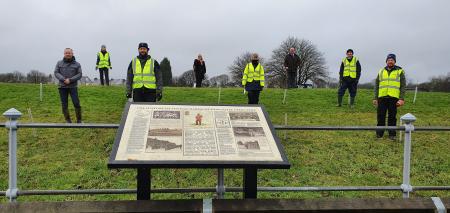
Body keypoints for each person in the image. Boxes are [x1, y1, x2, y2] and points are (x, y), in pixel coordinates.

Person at [373, 54, 406, 140]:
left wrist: (401, 99)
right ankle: (379, 134)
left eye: (392, 60)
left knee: (392, 116)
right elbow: (376, 85)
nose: (390, 61)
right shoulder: (381, 71)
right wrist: (375, 98)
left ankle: (392, 134)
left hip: (393, 98)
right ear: (386, 61)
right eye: (389, 60)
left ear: (395, 61)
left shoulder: (400, 71)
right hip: (382, 97)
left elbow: (403, 86)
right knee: (380, 116)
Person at [54, 48, 83, 123]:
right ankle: (68, 121)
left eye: (69, 53)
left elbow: (79, 74)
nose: (68, 54)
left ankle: (79, 120)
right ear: (64, 54)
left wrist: (70, 80)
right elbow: (56, 72)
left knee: (76, 103)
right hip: (62, 87)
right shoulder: (59, 63)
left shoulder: (77, 64)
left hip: (73, 87)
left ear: (72, 54)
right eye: (66, 53)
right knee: (64, 105)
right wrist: (63, 79)